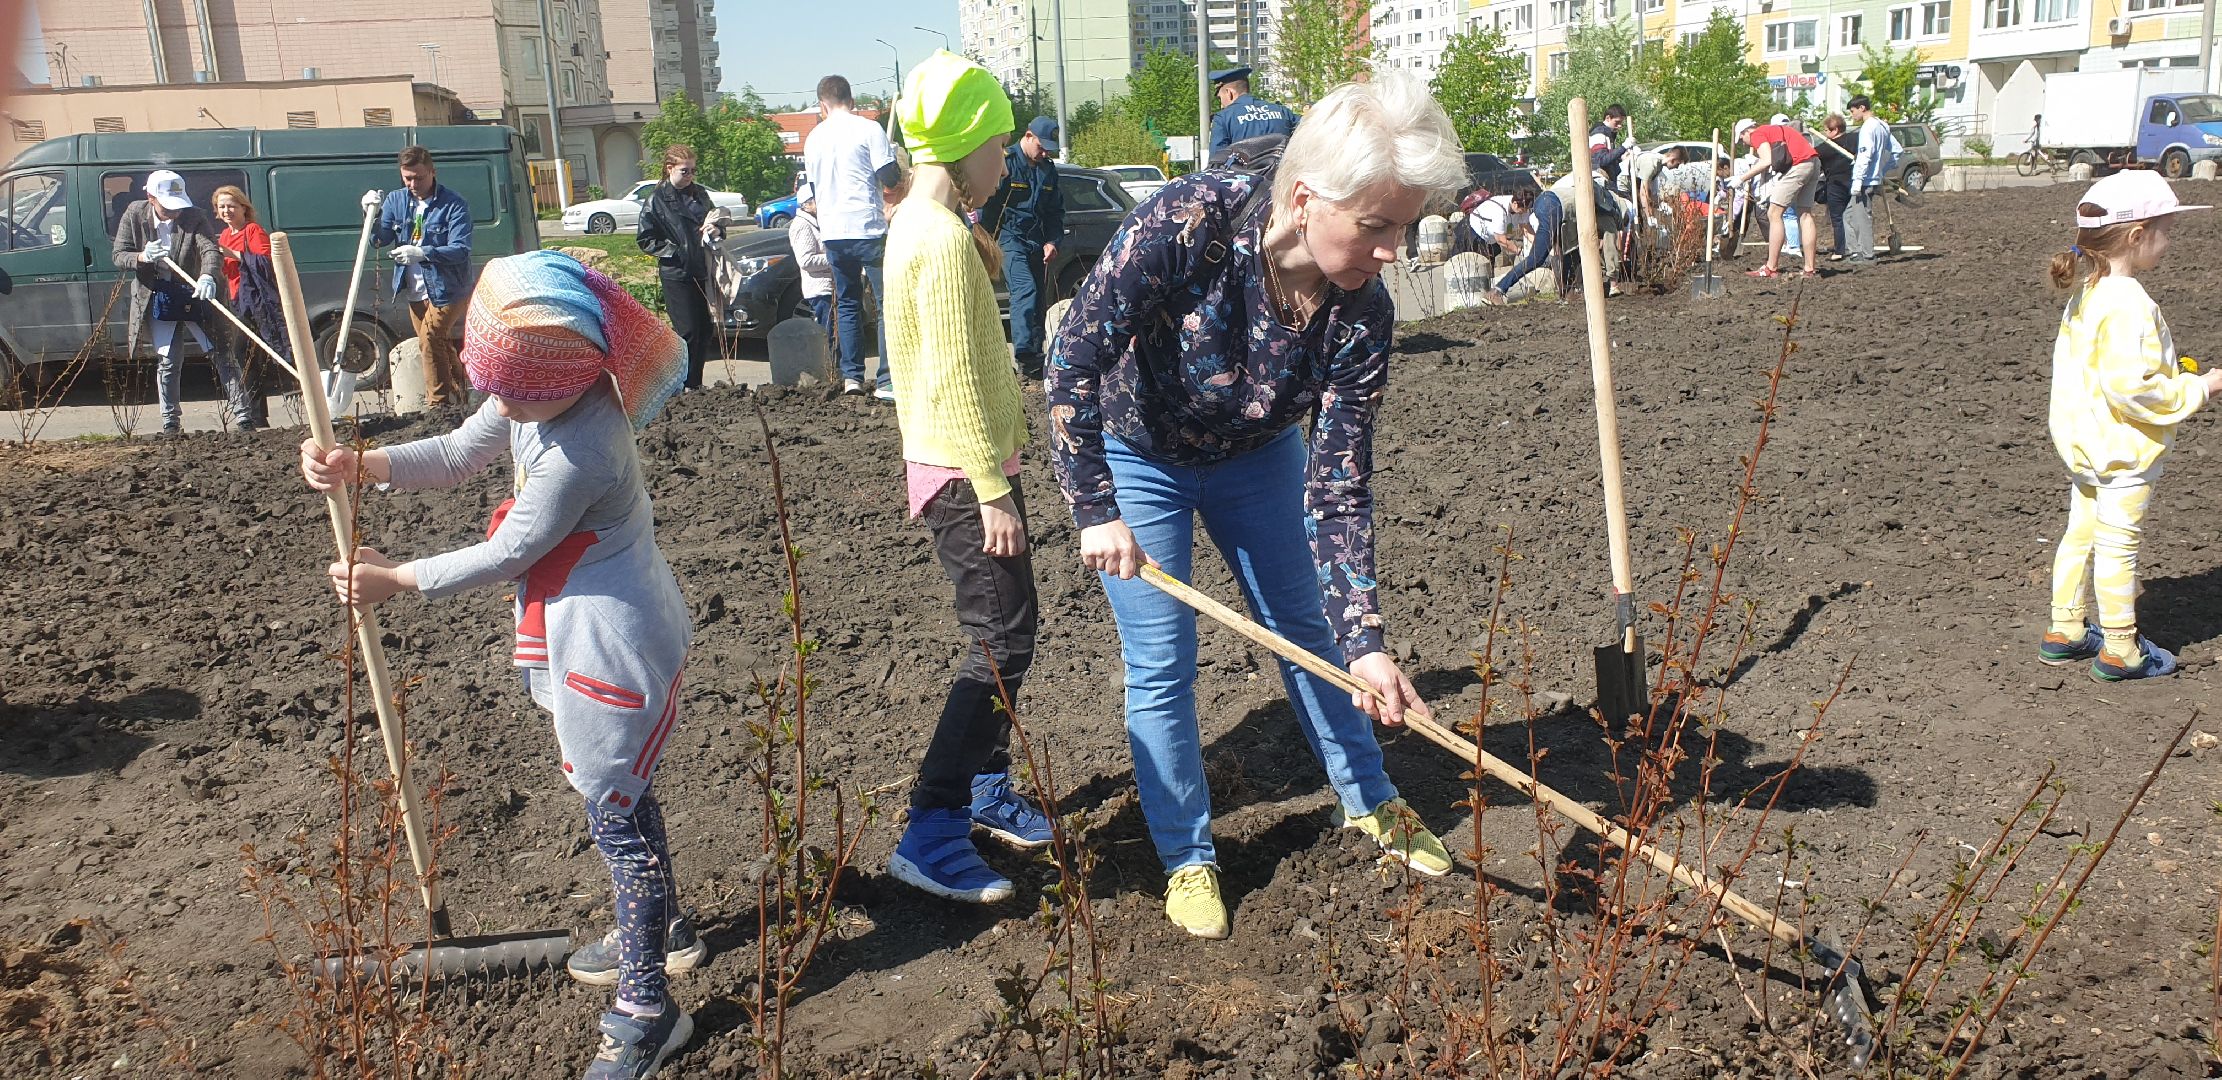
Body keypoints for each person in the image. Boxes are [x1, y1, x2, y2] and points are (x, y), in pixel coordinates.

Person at [1050, 71, 1462, 940]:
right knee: (1164, 660)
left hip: (1258, 458)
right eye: (1378, 226)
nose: (1396, 249)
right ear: (1307, 199)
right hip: (1141, 454)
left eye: (1409, 227)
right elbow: (1072, 359)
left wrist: (1370, 641)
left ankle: (1372, 801)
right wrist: (1094, 506)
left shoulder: (1362, 315)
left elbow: (1340, 479)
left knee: (1311, 634)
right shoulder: (1187, 224)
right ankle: (1187, 855)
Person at [299, 250, 702, 1078]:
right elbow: (455, 453)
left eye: (509, 389)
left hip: (609, 643)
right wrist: (362, 464)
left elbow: (512, 549)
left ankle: (646, 1009)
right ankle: (657, 928)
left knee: (614, 814)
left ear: (566, 371)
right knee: (624, 799)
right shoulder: (536, 396)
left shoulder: (581, 447)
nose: (500, 403)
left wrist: (395, 579)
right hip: (584, 621)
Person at [878, 51, 1056, 903]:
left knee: (1008, 626)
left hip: (955, 460)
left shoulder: (914, 222)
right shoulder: (942, 238)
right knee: (1003, 636)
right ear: (972, 142)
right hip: (962, 469)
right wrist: (990, 487)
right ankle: (934, 824)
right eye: (1000, 144)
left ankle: (985, 791)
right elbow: (949, 372)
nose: (1006, 162)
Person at [2040, 172, 2218, 682]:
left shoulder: (2089, 292)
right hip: (2121, 451)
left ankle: (2066, 629)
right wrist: (2199, 387)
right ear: (2137, 235)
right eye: (2166, 230)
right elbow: (2133, 388)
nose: (2170, 241)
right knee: (2119, 544)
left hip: (2084, 445)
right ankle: (2121, 648)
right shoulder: (2130, 302)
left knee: (2081, 535)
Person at [112, 169, 246, 436]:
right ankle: (170, 422)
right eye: (167, 207)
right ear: (151, 198)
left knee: (221, 352)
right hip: (159, 294)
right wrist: (141, 257)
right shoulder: (135, 214)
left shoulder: (194, 216)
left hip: (196, 290)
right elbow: (118, 255)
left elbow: (209, 248)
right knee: (169, 360)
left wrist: (208, 275)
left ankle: (244, 417)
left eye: (177, 206)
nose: (175, 212)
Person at [804, 74, 901, 401]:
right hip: (869, 229)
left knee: (847, 304)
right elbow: (890, 178)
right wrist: (894, 157)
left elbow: (815, 189)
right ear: (852, 99)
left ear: (822, 105)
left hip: (833, 233)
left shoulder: (813, 138)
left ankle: (852, 378)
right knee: (887, 305)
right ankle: (887, 379)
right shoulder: (869, 129)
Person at [365, 145, 475, 411]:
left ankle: (438, 405)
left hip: (448, 288)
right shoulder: (396, 200)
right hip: (414, 289)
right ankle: (465, 392)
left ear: (432, 172)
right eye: (407, 178)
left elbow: (461, 249)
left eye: (419, 177)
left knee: (430, 339)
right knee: (438, 344)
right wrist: (371, 214)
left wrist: (422, 253)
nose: (413, 183)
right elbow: (380, 240)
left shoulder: (454, 204)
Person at [978, 116, 1066, 380]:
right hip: (1008, 238)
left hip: (1036, 240)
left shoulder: (1048, 169)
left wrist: (1053, 241)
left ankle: (1036, 354)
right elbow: (986, 204)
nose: (1044, 152)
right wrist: (982, 241)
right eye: (1041, 146)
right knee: (1024, 289)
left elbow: (1054, 211)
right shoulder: (1005, 161)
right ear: (1028, 136)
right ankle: (1025, 355)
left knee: (1038, 295)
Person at [636, 144, 722, 389]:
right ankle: (680, 386)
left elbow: (715, 221)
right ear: (669, 168)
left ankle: (694, 384)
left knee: (705, 330)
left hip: (701, 269)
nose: (690, 176)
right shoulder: (658, 199)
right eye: (685, 171)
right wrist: (676, 252)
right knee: (688, 332)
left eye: (693, 171)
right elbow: (645, 239)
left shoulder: (700, 194)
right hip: (677, 273)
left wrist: (717, 230)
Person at [212, 185, 286, 429]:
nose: (226, 211)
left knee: (247, 354)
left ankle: (256, 412)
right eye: (222, 206)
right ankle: (257, 413)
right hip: (235, 302)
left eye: (231, 205)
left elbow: (265, 262)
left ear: (244, 207)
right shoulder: (223, 235)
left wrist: (229, 253)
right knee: (246, 356)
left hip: (255, 303)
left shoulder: (252, 230)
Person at [1732, 117, 1821, 278]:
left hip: (1800, 165)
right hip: (1813, 162)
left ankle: (1770, 267)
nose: (1745, 143)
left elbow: (1767, 161)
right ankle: (1809, 269)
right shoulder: (1775, 130)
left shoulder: (1757, 134)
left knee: (1774, 213)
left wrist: (1741, 178)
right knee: (1805, 214)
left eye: (1742, 139)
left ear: (1747, 131)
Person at [1206, 66, 1298, 164]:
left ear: (1229, 93)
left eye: (1220, 98)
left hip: (1244, 178)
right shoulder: (1282, 111)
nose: (1221, 104)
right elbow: (1309, 127)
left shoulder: (1223, 118)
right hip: (1281, 177)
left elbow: (1217, 162)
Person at [1846, 96, 1896, 265]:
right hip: (1873, 177)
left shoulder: (1868, 128)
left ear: (1862, 108)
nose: (1852, 116)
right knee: (1850, 214)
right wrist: (1882, 170)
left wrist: (1857, 180)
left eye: (1853, 112)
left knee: (1861, 217)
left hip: (1865, 179)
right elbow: (1895, 151)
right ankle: (1858, 251)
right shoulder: (1883, 125)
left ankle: (1867, 255)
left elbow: (1865, 155)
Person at [787, 182, 837, 354]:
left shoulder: (817, 221)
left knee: (834, 335)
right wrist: (835, 258)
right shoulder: (802, 225)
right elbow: (806, 260)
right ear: (807, 204)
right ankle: (828, 371)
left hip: (830, 287)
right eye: (819, 200)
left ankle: (833, 370)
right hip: (820, 289)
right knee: (827, 335)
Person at [1816, 114, 1858, 261]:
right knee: (1855, 216)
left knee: (1838, 218)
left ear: (1835, 130)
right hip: (1855, 181)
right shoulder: (1856, 139)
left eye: (1826, 130)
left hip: (1836, 185)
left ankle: (1840, 250)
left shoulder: (1825, 148)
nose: (1825, 134)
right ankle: (1855, 248)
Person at [1588, 104, 1633, 188]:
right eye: (1617, 122)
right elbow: (1601, 160)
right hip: (1600, 182)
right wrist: (1623, 147)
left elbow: (1608, 159)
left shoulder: (1608, 135)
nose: (1619, 126)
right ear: (1608, 118)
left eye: (1621, 123)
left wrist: (1621, 157)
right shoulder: (1599, 134)